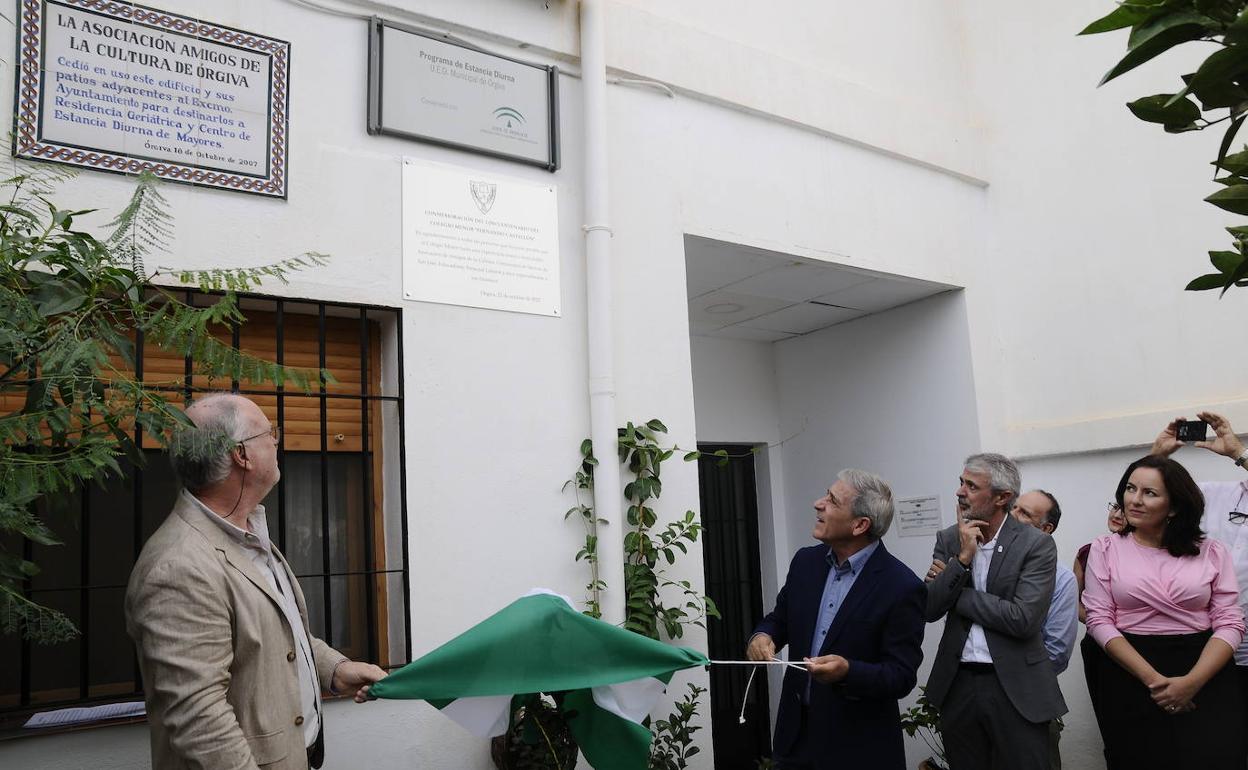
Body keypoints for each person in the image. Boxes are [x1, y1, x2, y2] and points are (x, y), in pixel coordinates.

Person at [125, 393, 387, 770]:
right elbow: (199, 718)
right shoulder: (177, 567)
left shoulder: (244, 531)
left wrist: (334, 668)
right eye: (270, 433)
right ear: (241, 455)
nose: (277, 441)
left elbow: (274, 634)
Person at [746, 469, 925, 770]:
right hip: (795, 741)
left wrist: (848, 671)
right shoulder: (805, 562)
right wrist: (762, 636)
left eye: (831, 500)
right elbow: (780, 619)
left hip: (858, 748)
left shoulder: (902, 586)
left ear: (860, 524)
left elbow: (900, 676)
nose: (818, 504)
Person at [1083, 454, 1246, 769]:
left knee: (1215, 756)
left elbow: (1230, 622)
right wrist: (1154, 681)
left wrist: (1191, 683)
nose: (1135, 500)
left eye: (1149, 493)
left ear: (1173, 507)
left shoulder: (1212, 552)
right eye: (1130, 489)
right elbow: (1099, 620)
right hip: (1130, 670)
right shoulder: (1105, 549)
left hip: (1204, 667)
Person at [924, 453, 1066, 770]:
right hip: (958, 684)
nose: (960, 492)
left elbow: (1023, 619)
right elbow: (929, 606)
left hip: (1016, 688)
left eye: (972, 486)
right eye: (961, 483)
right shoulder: (949, 539)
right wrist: (961, 560)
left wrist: (954, 587)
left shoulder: (1035, 544)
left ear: (1002, 497)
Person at [1149, 410, 1248, 706]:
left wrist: (1238, 453)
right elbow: (1142, 507)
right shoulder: (1211, 496)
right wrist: (1158, 457)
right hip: (1202, 653)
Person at [1074, 499, 1126, 767]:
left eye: (1124, 510)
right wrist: (1104, 626)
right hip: (1099, 647)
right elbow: (1073, 604)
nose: (1117, 514)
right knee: (1111, 725)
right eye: (1114, 506)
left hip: (1142, 643)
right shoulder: (1088, 551)